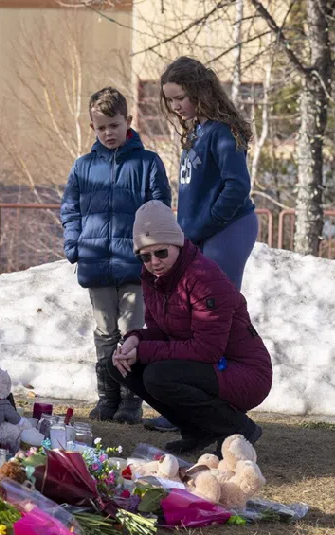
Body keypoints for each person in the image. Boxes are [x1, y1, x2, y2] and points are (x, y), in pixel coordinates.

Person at [146, 57, 258, 434]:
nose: (175, 107)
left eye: (180, 98)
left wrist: (204, 228)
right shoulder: (196, 131)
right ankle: (188, 401)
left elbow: (237, 188)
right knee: (189, 318)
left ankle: (216, 407)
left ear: (199, 92)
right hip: (198, 235)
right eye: (170, 101)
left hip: (227, 232)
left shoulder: (222, 132)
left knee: (212, 322)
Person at [109, 201, 271, 454]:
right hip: (208, 365)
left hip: (242, 371)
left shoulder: (204, 278)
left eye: (161, 252)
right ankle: (197, 430)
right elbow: (158, 331)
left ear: (178, 244)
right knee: (120, 366)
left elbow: (207, 351)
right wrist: (134, 340)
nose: (154, 262)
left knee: (158, 376)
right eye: (145, 256)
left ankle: (238, 428)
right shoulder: (153, 279)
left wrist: (143, 351)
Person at [61, 87, 171, 424]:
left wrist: (151, 253)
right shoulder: (83, 167)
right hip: (95, 262)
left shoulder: (148, 162)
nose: (108, 133)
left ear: (129, 121)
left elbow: (159, 209)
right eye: (101, 127)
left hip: (135, 265)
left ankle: (131, 400)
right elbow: (70, 209)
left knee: (132, 330)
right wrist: (74, 244)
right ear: (92, 127)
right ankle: (107, 397)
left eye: (114, 125)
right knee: (104, 331)